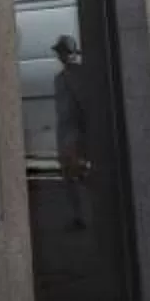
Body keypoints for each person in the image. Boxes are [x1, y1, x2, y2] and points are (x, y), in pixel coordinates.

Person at [51, 35, 89, 231]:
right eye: (59, 52)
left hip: (75, 131)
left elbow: (83, 105)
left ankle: (84, 215)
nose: (61, 55)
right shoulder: (59, 78)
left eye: (63, 51)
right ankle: (77, 215)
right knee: (69, 175)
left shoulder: (79, 74)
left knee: (78, 174)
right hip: (64, 131)